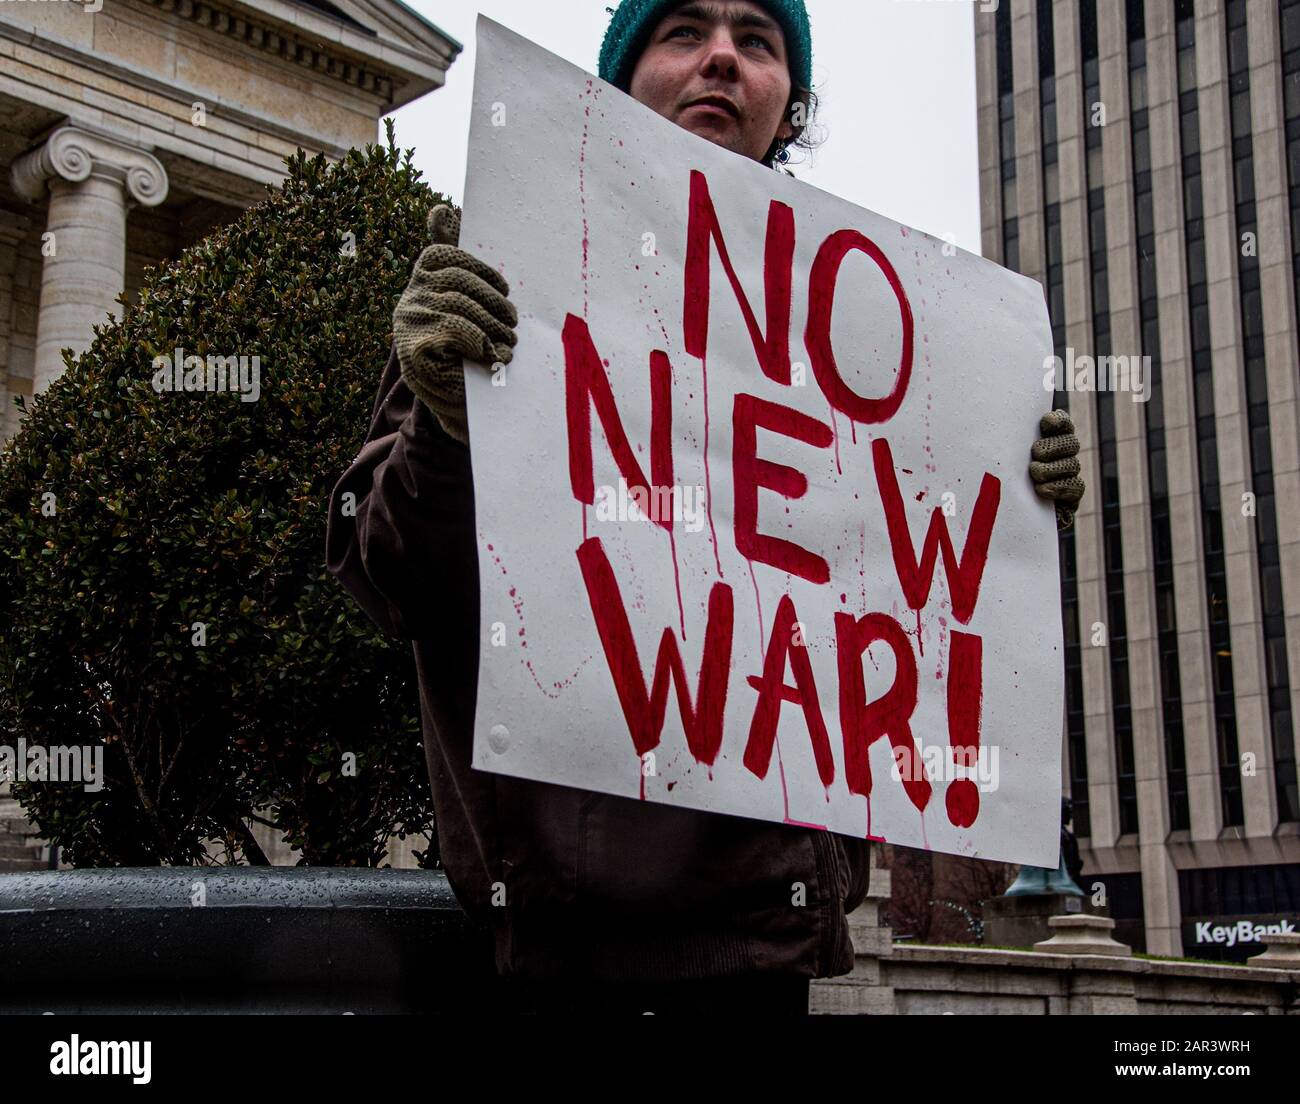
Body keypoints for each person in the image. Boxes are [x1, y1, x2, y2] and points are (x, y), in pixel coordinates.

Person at [326, 0, 1085, 1016]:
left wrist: (1010, 506)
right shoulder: (511, 267)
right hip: (562, 949)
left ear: (789, 102)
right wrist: (445, 425)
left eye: (757, 41)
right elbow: (391, 578)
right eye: (683, 31)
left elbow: (912, 619)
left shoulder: (866, 337)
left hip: (768, 947)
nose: (721, 58)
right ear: (620, 79)